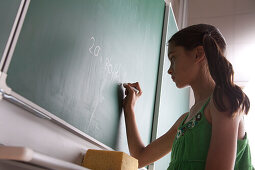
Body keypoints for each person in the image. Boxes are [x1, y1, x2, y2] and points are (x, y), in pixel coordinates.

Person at [123, 24, 254, 170]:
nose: (169, 70)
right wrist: (129, 108)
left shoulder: (224, 101)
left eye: (173, 58)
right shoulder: (185, 121)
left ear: (198, 54)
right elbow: (140, 158)